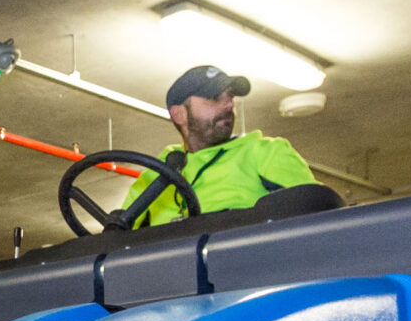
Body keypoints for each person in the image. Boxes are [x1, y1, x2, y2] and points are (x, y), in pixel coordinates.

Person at [122, 65, 321, 226]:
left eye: (230, 97)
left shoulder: (265, 152)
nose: (228, 105)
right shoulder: (156, 174)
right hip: (172, 272)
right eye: (214, 98)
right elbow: (116, 239)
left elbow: (318, 214)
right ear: (179, 114)